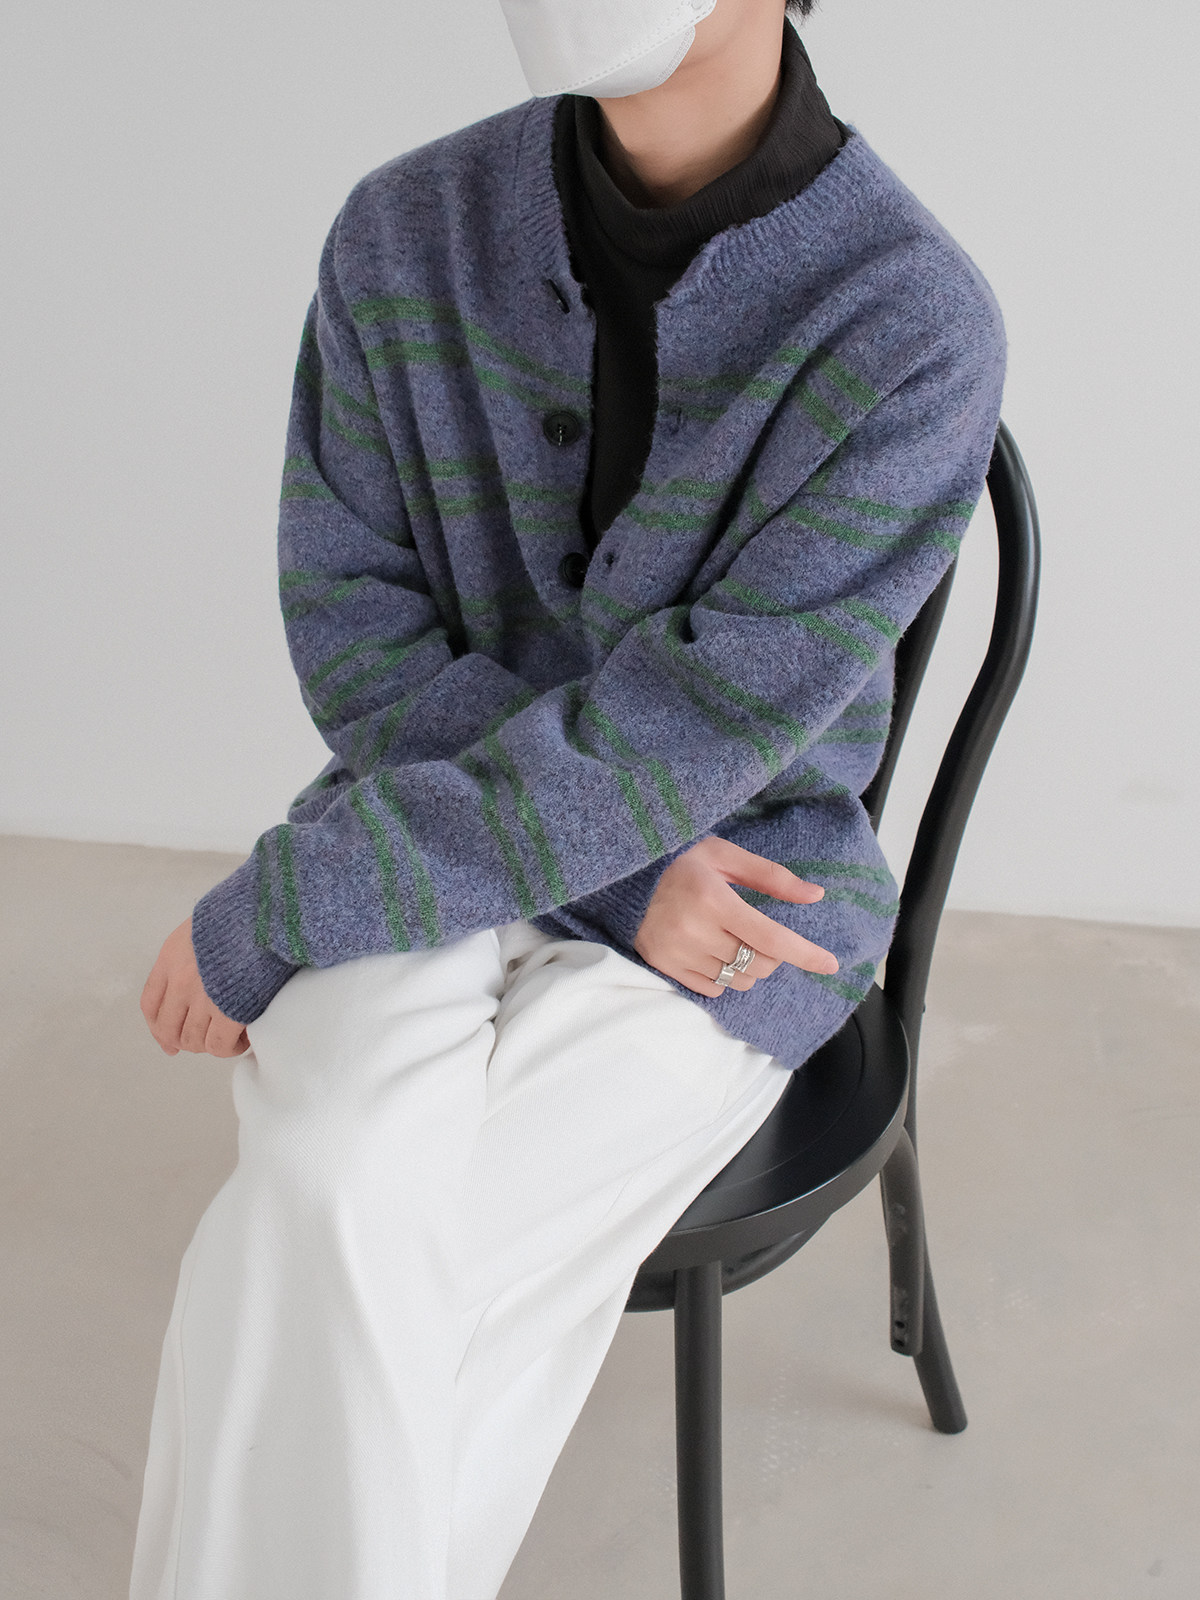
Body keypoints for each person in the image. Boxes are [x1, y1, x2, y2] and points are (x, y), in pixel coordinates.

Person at [132, 0, 1006, 1595]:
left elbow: (705, 728)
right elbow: (356, 633)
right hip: (431, 824)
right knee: (329, 1201)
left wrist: (288, 902)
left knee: (341, 1251)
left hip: (741, 903)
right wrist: (609, 874)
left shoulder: (908, 321)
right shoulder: (402, 235)